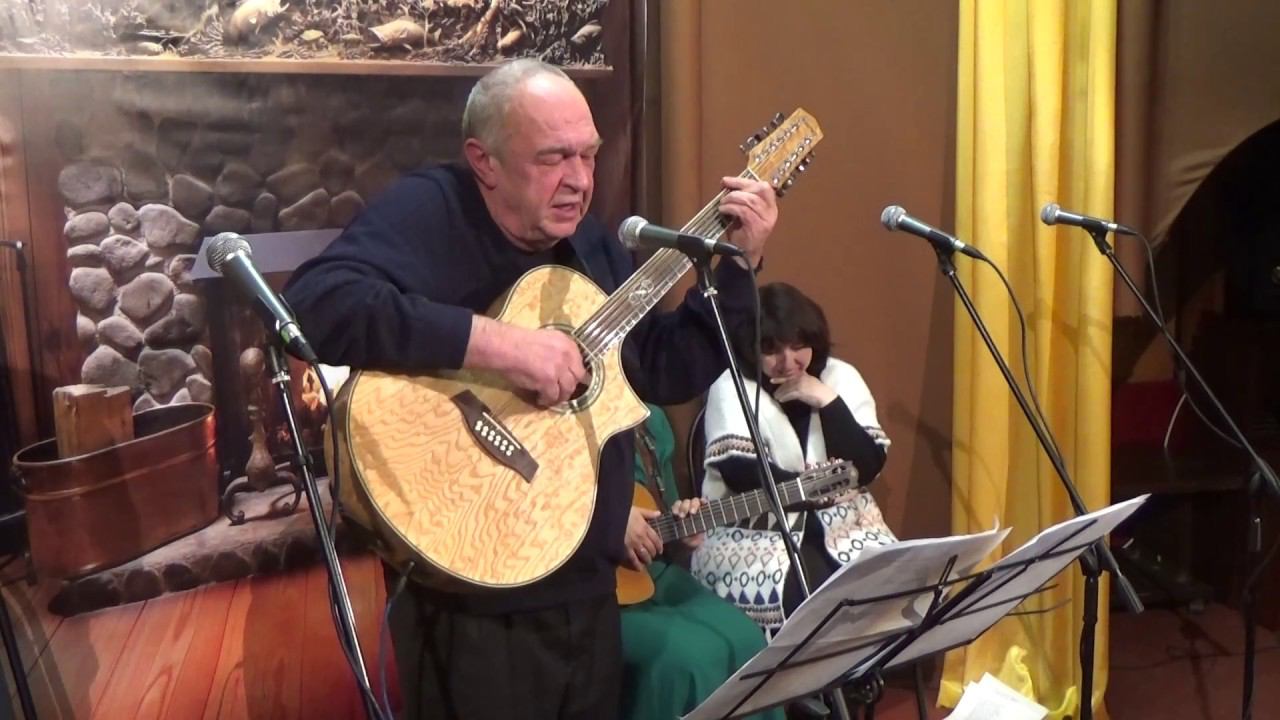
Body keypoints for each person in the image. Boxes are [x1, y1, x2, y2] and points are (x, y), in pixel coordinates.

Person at [282, 59, 779, 720]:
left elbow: (662, 369)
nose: (579, 179)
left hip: (585, 583)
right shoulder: (436, 210)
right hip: (473, 584)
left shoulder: (591, 245)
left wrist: (740, 267)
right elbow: (315, 304)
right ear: (484, 161)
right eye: (553, 158)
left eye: (588, 155)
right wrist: (505, 347)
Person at [692, 282, 896, 631]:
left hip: (847, 525)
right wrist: (815, 493)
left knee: (896, 587)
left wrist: (827, 401)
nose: (788, 362)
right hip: (755, 536)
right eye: (771, 349)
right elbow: (741, 473)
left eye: (798, 346)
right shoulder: (731, 385)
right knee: (814, 598)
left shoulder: (840, 376)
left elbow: (867, 464)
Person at [620, 405, 783, 720]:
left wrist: (680, 532)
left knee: (747, 638)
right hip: (586, 590)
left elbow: (660, 519)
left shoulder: (648, 417)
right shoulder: (545, 420)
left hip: (650, 574)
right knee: (688, 659)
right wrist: (610, 516)